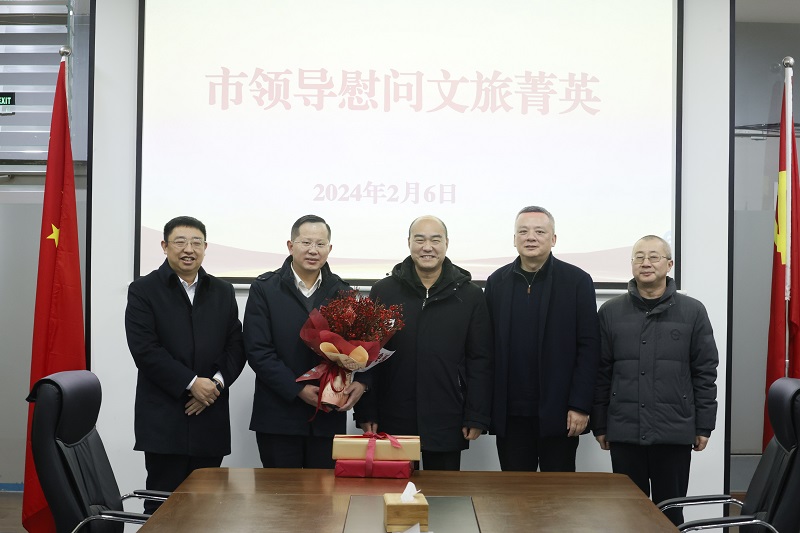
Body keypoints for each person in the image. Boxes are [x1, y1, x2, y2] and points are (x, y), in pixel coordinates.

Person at [592, 235, 718, 526]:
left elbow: (705, 372)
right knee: (628, 515)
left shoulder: (693, 311)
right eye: (639, 257)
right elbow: (600, 373)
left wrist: (703, 425)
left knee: (671, 513)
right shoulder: (610, 312)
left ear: (669, 264)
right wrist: (600, 424)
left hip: (674, 431)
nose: (645, 263)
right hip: (625, 430)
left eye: (653, 257)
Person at [125, 216, 246, 513]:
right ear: (165, 246)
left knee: (207, 509)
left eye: (196, 243)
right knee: (162, 509)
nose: (188, 249)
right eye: (180, 242)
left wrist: (214, 385)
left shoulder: (222, 290)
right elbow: (145, 350)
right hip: (164, 418)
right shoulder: (143, 289)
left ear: (205, 247)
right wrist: (192, 383)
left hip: (210, 416)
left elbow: (236, 346)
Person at [354, 215, 493, 471]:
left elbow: (479, 360)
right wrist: (366, 411)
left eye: (435, 240)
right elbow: (368, 357)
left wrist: (477, 414)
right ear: (409, 242)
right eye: (420, 240)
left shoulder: (470, 295)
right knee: (396, 492)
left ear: (446, 243)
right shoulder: (384, 291)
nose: (427, 247)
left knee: (444, 493)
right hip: (394, 414)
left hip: (448, 413)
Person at [244, 214, 368, 468]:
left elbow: (359, 349)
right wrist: (296, 389)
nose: (313, 250)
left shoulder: (343, 292)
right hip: (278, 415)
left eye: (320, 244)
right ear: (291, 246)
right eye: (306, 243)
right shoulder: (265, 288)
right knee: (280, 492)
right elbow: (258, 350)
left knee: (325, 492)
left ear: (329, 249)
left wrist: (361, 381)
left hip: (327, 415)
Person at [485, 205, 600, 472]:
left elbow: (589, 347)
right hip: (511, 414)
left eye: (539, 231)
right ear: (514, 239)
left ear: (553, 239)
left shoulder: (577, 281)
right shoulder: (497, 282)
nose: (530, 237)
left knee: (558, 492)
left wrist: (580, 405)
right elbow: (485, 348)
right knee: (514, 492)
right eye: (523, 232)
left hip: (561, 412)